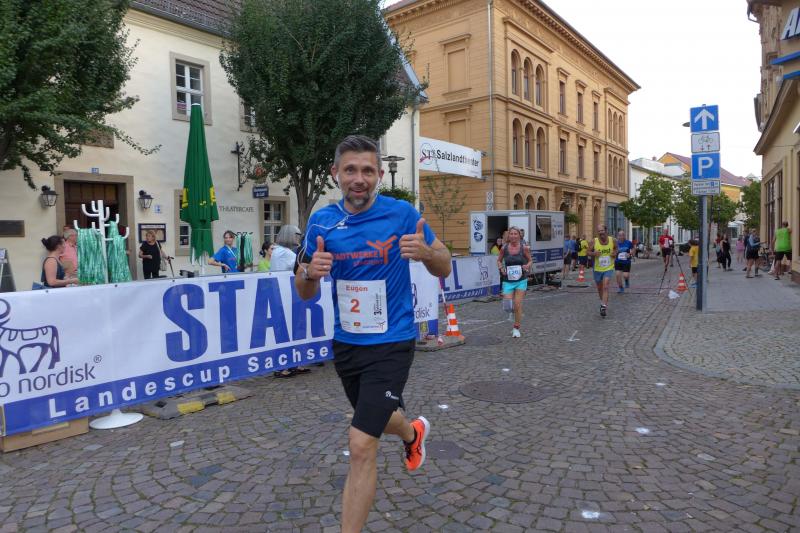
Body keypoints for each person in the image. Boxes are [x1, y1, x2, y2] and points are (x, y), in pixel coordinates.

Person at [295, 135, 451, 533]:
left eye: (367, 170)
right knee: (379, 421)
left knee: (361, 444)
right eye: (350, 170)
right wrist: (310, 273)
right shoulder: (321, 222)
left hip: (392, 342)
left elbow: (445, 264)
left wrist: (426, 253)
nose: (359, 179)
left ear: (380, 174)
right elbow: (304, 290)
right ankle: (413, 432)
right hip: (347, 343)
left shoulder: (401, 214)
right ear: (336, 173)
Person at [497, 227, 533, 337]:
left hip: (521, 280)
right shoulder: (504, 248)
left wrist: (527, 265)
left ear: (519, 236)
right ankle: (516, 312)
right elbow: (498, 260)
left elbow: (530, 260)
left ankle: (516, 328)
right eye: (511, 234)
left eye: (515, 234)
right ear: (509, 236)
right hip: (508, 280)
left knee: (517, 305)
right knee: (508, 306)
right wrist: (501, 268)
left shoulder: (524, 248)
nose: (513, 236)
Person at [588, 224, 617, 317]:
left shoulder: (613, 240)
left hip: (609, 267)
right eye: (599, 231)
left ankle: (603, 306)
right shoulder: (594, 241)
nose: (601, 233)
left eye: (602, 230)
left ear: (606, 230)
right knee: (600, 288)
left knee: (606, 286)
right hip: (597, 268)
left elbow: (616, 249)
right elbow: (587, 252)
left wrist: (614, 253)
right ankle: (603, 302)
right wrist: (594, 253)